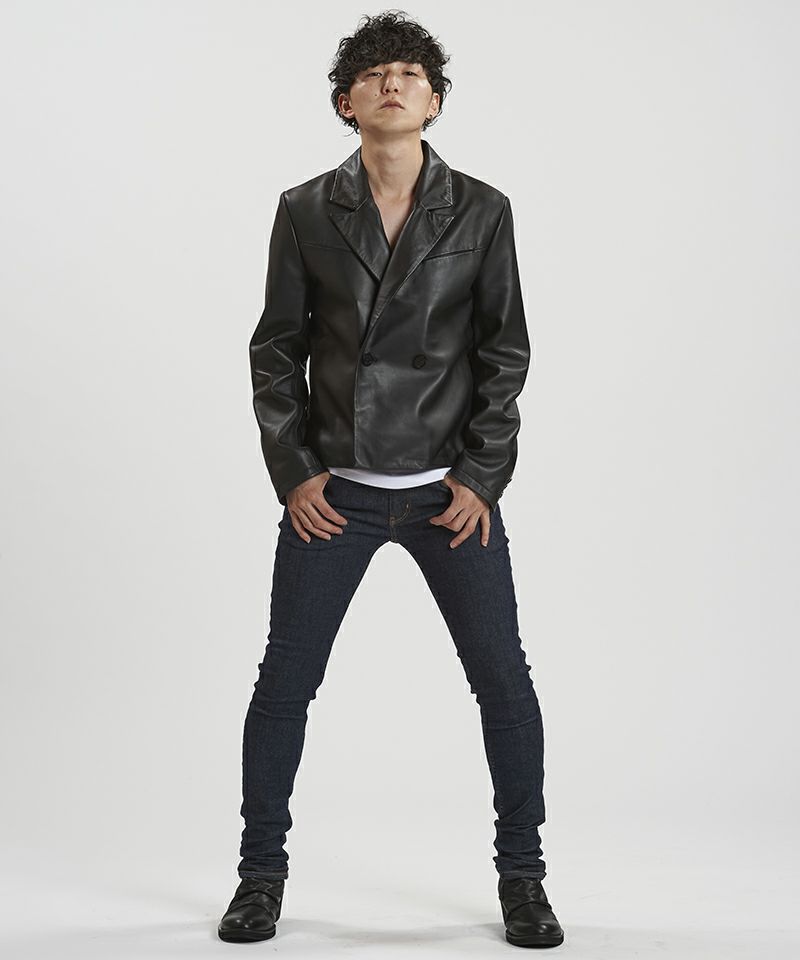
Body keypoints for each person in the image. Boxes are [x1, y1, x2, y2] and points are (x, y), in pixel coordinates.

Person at [218, 11, 564, 949]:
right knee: (284, 682)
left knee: (503, 681)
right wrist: (296, 472)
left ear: (435, 101)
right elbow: (275, 351)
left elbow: (504, 353)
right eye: (374, 73)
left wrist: (481, 478)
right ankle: (258, 879)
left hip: (449, 495)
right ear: (347, 102)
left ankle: (525, 879)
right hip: (337, 495)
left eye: (411, 73)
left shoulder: (482, 210)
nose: (393, 83)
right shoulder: (304, 208)